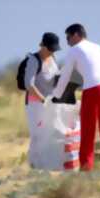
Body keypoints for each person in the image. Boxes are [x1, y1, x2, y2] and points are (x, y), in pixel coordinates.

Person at [51, 23, 100, 171]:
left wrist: (55, 95)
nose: (67, 41)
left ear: (76, 35)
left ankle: (86, 168)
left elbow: (64, 76)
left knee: (88, 130)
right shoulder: (98, 47)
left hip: (94, 87)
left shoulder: (75, 50)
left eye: (68, 37)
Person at [24, 32, 61, 168]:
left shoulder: (53, 59)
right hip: (35, 104)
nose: (52, 52)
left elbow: (56, 79)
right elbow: (29, 84)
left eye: (54, 49)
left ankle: (47, 164)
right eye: (51, 49)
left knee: (50, 134)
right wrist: (43, 100)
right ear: (43, 46)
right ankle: (33, 165)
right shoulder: (34, 60)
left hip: (51, 103)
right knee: (37, 136)